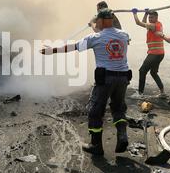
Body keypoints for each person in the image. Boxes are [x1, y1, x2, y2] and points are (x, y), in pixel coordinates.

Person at [40, 9, 132, 156]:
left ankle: (96, 146)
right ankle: (122, 135)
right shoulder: (124, 35)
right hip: (123, 78)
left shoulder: (95, 37)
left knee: (95, 111)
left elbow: (73, 47)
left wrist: (53, 51)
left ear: (101, 21)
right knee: (118, 108)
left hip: (106, 78)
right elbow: (115, 37)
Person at [130, 9, 168, 99]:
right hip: (160, 53)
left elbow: (138, 23)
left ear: (156, 17)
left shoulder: (153, 25)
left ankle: (140, 93)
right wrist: (145, 14)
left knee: (142, 71)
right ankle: (162, 92)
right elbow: (144, 23)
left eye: (152, 17)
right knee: (153, 73)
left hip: (154, 54)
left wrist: (134, 13)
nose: (150, 19)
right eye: (149, 17)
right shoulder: (158, 24)